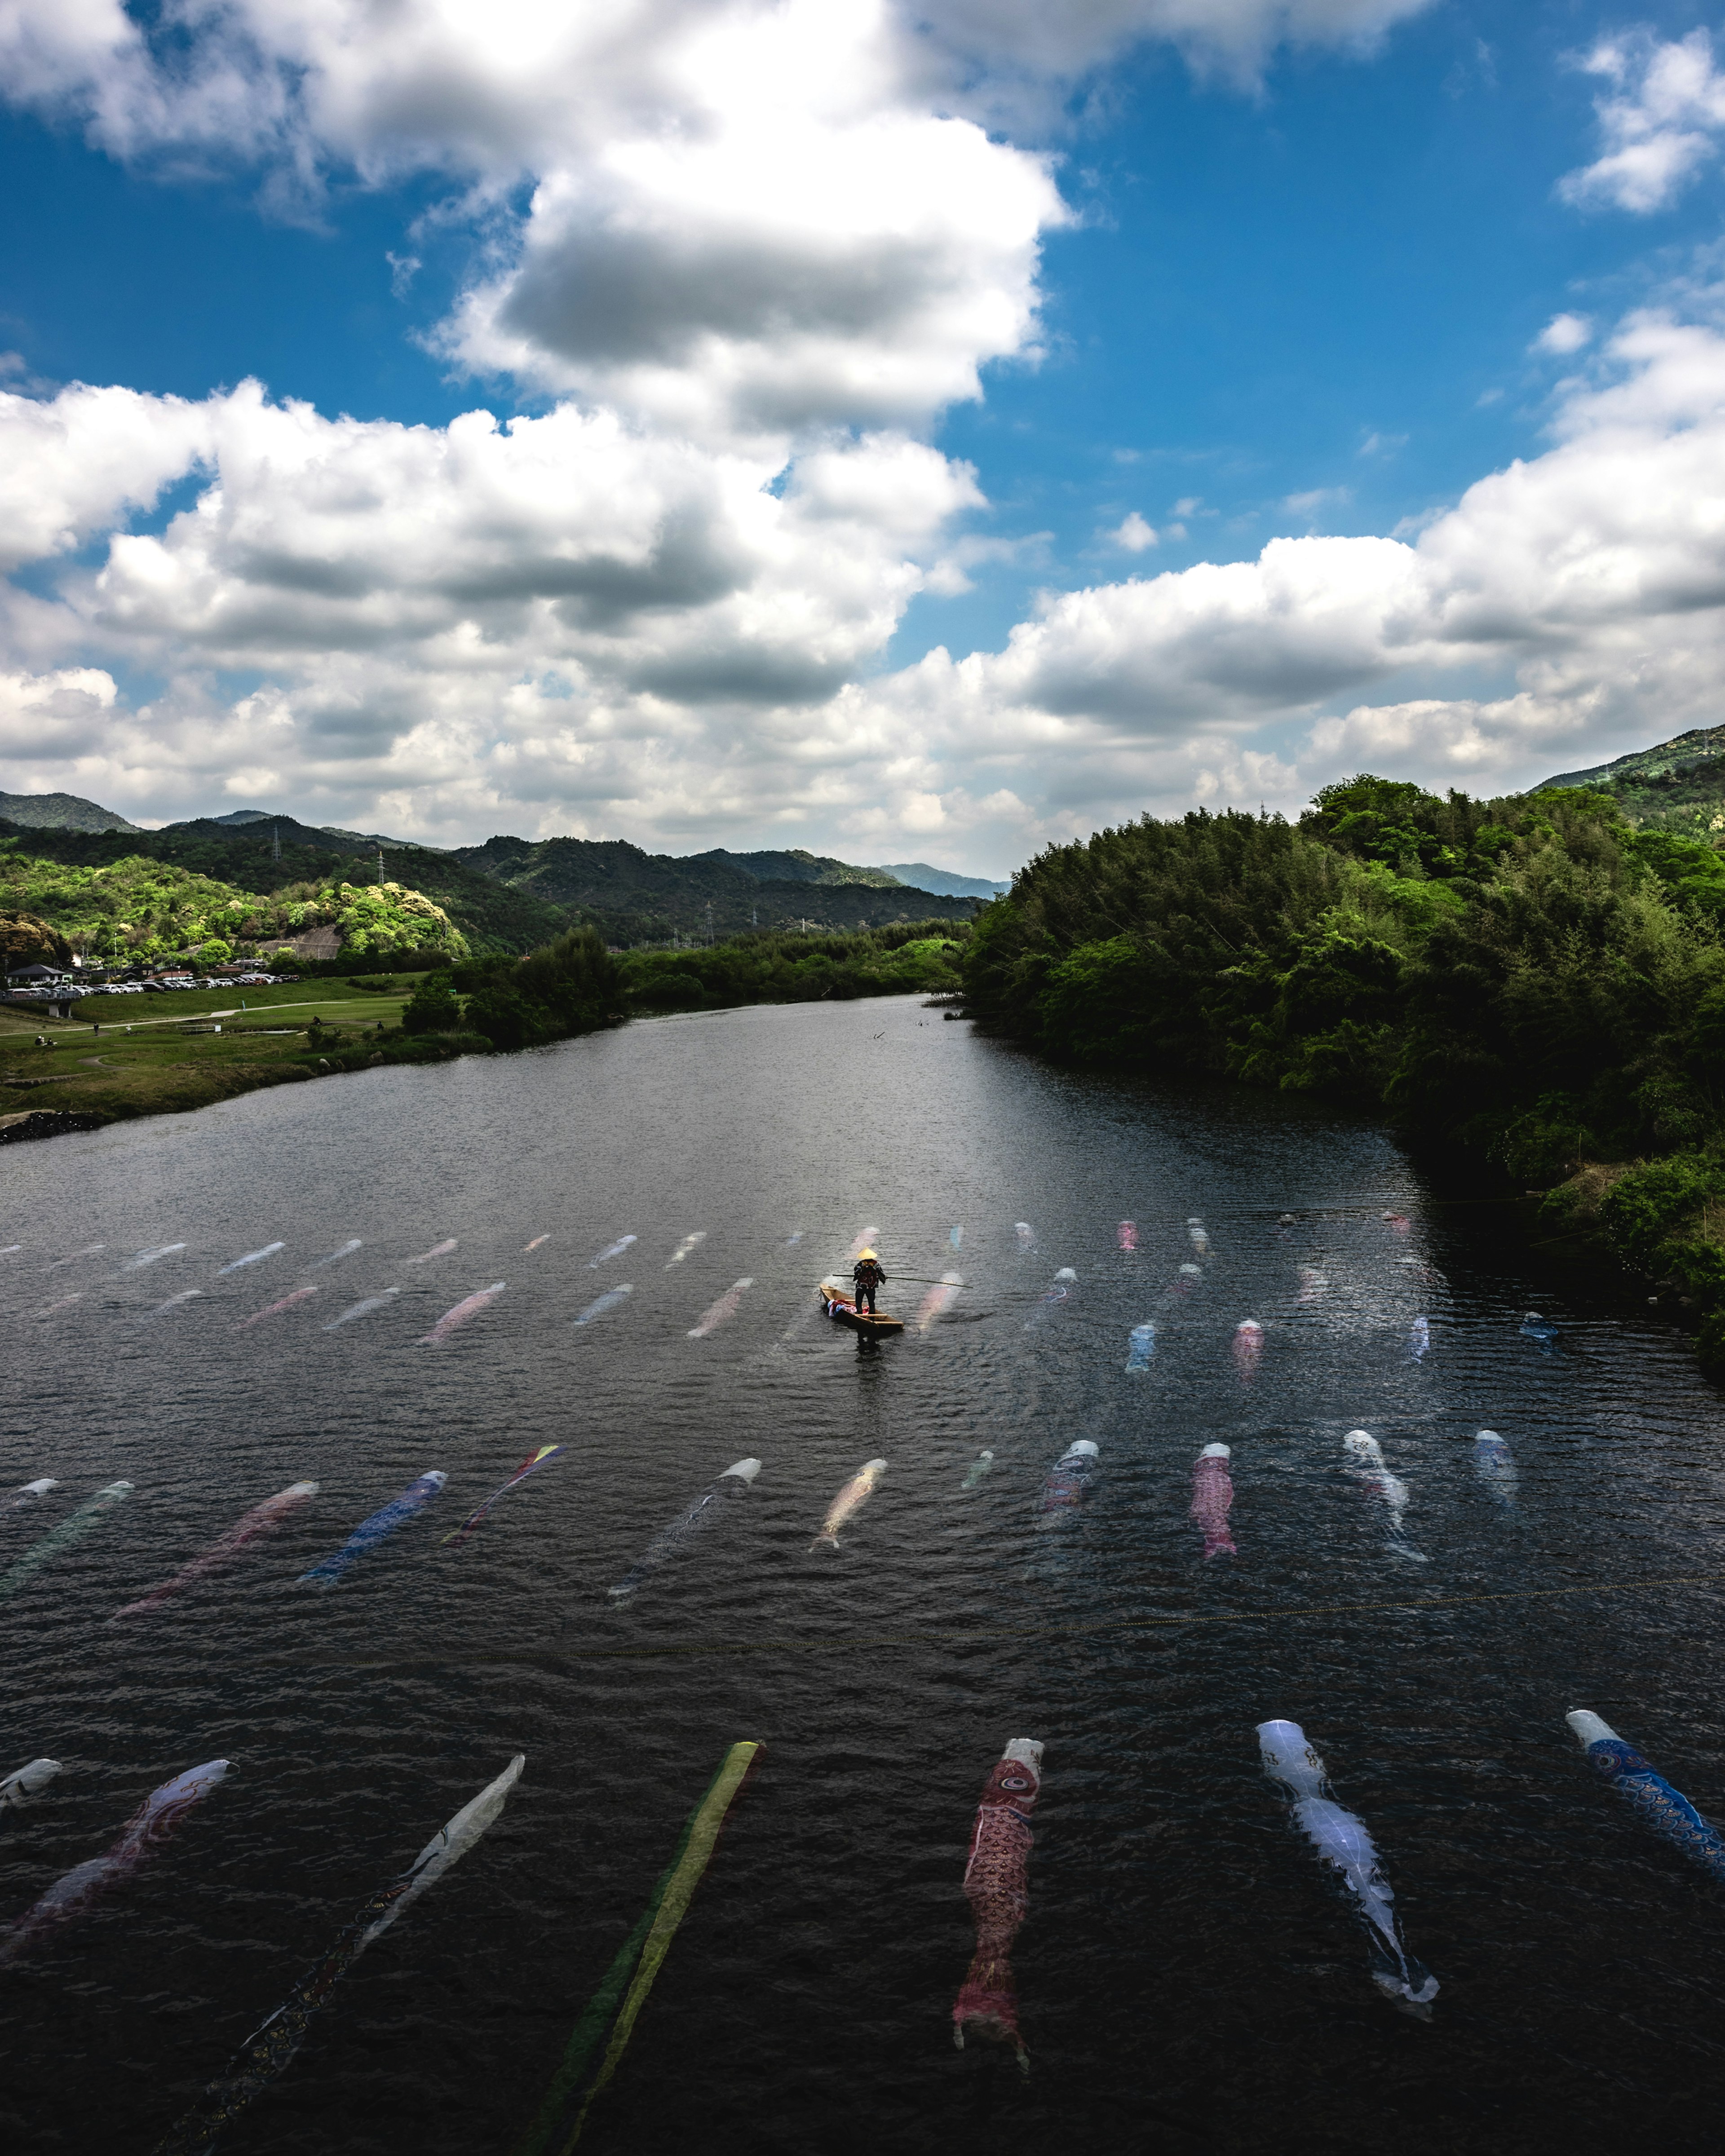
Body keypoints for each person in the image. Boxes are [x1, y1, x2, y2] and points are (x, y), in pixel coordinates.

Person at [852, 1248, 886, 1316]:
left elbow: (857, 1272)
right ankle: (872, 1316)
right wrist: (884, 1277)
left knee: (859, 1301)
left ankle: (860, 1314)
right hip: (871, 1287)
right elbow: (881, 1273)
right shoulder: (876, 1264)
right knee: (871, 1302)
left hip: (861, 1286)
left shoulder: (861, 1264)